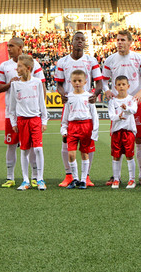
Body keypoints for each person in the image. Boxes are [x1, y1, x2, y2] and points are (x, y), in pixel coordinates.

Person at [103, 30, 141, 186]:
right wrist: (107, 90)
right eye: (117, 40)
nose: (119, 42)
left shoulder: (139, 58)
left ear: (130, 42)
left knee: (139, 138)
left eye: (123, 40)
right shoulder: (110, 60)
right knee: (117, 138)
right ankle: (116, 176)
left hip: (134, 103)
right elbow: (104, 81)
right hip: (117, 104)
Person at [0, 37, 46, 188]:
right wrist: (10, 83)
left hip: (32, 114)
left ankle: (35, 177)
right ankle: (10, 177)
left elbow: (41, 86)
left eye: (11, 46)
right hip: (13, 114)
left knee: (31, 147)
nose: (8, 48)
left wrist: (40, 112)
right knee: (11, 144)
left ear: (20, 47)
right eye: (7, 46)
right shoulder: (4, 65)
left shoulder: (33, 63)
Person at [55, 31, 102, 187]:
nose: (80, 41)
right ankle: (69, 175)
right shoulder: (62, 62)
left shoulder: (91, 60)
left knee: (87, 144)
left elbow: (99, 83)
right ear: (72, 41)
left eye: (82, 39)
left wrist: (94, 94)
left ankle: (86, 176)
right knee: (66, 139)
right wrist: (64, 96)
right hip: (71, 103)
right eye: (77, 39)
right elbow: (59, 84)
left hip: (85, 103)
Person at [9, 54, 48, 191]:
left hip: (35, 119)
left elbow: (41, 103)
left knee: (38, 148)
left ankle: (40, 178)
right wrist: (13, 122)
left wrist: (44, 120)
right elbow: (12, 106)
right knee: (24, 150)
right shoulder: (15, 84)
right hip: (22, 121)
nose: (17, 68)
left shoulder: (37, 82)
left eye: (19, 66)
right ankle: (25, 180)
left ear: (28, 68)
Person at [60, 70, 99, 189]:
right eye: (75, 81)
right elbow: (66, 115)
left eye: (80, 81)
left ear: (85, 82)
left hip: (86, 126)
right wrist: (64, 128)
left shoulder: (89, 97)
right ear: (70, 82)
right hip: (72, 127)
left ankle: (83, 180)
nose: (77, 83)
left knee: (84, 153)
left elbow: (94, 115)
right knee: (71, 154)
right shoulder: (68, 97)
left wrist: (95, 131)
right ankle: (75, 178)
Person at [108, 75, 138, 189]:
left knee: (129, 156)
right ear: (115, 87)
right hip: (116, 131)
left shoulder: (131, 99)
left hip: (128, 131)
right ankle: (116, 179)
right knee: (116, 156)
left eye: (123, 84)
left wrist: (126, 109)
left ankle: (132, 179)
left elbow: (134, 110)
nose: (121, 87)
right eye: (119, 85)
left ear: (128, 86)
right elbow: (111, 116)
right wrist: (118, 117)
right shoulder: (113, 101)